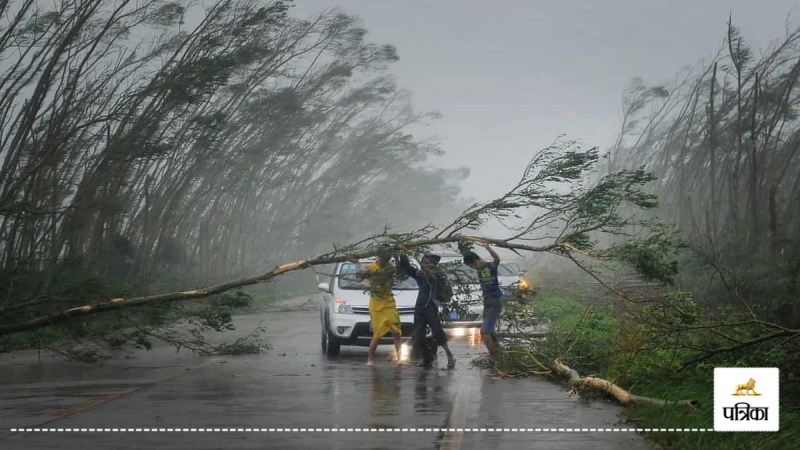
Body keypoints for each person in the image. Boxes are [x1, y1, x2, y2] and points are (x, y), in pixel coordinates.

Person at [396, 249, 456, 368]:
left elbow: (434, 279)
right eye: (423, 262)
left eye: (428, 263)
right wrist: (400, 252)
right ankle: (425, 358)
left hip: (431, 308)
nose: (424, 265)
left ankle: (449, 355)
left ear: (434, 265)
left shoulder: (438, 277)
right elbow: (405, 267)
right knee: (418, 335)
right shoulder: (419, 274)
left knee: (437, 332)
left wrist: (427, 273)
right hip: (419, 307)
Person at [354, 247, 403, 367]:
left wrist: (398, 254)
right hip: (376, 304)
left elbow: (400, 270)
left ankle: (399, 358)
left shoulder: (390, 267)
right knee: (377, 334)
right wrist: (357, 263)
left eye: (388, 258)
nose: (386, 260)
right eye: (384, 258)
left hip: (389, 303)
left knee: (397, 332)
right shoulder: (371, 268)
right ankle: (370, 359)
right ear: (379, 256)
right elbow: (359, 278)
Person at [462, 241, 503, 356]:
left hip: (495, 303)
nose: (472, 267)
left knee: (484, 332)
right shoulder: (478, 269)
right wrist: (461, 242)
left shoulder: (490, 266)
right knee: (490, 330)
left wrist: (487, 247)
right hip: (487, 303)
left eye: (472, 265)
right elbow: (466, 254)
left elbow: (497, 259)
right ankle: (499, 353)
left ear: (475, 262)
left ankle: (494, 358)